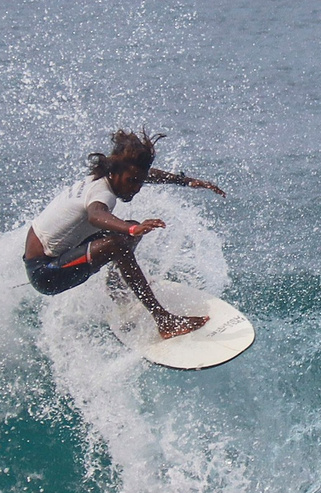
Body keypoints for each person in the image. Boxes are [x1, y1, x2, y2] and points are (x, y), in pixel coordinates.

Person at [24, 130, 227, 338]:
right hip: (46, 273)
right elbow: (96, 215)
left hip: (54, 253)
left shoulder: (105, 175)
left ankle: (116, 287)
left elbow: (146, 174)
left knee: (128, 233)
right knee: (119, 241)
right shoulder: (102, 193)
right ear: (116, 172)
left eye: (140, 181)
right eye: (132, 181)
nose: (136, 188)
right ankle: (164, 321)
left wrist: (186, 181)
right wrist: (130, 229)